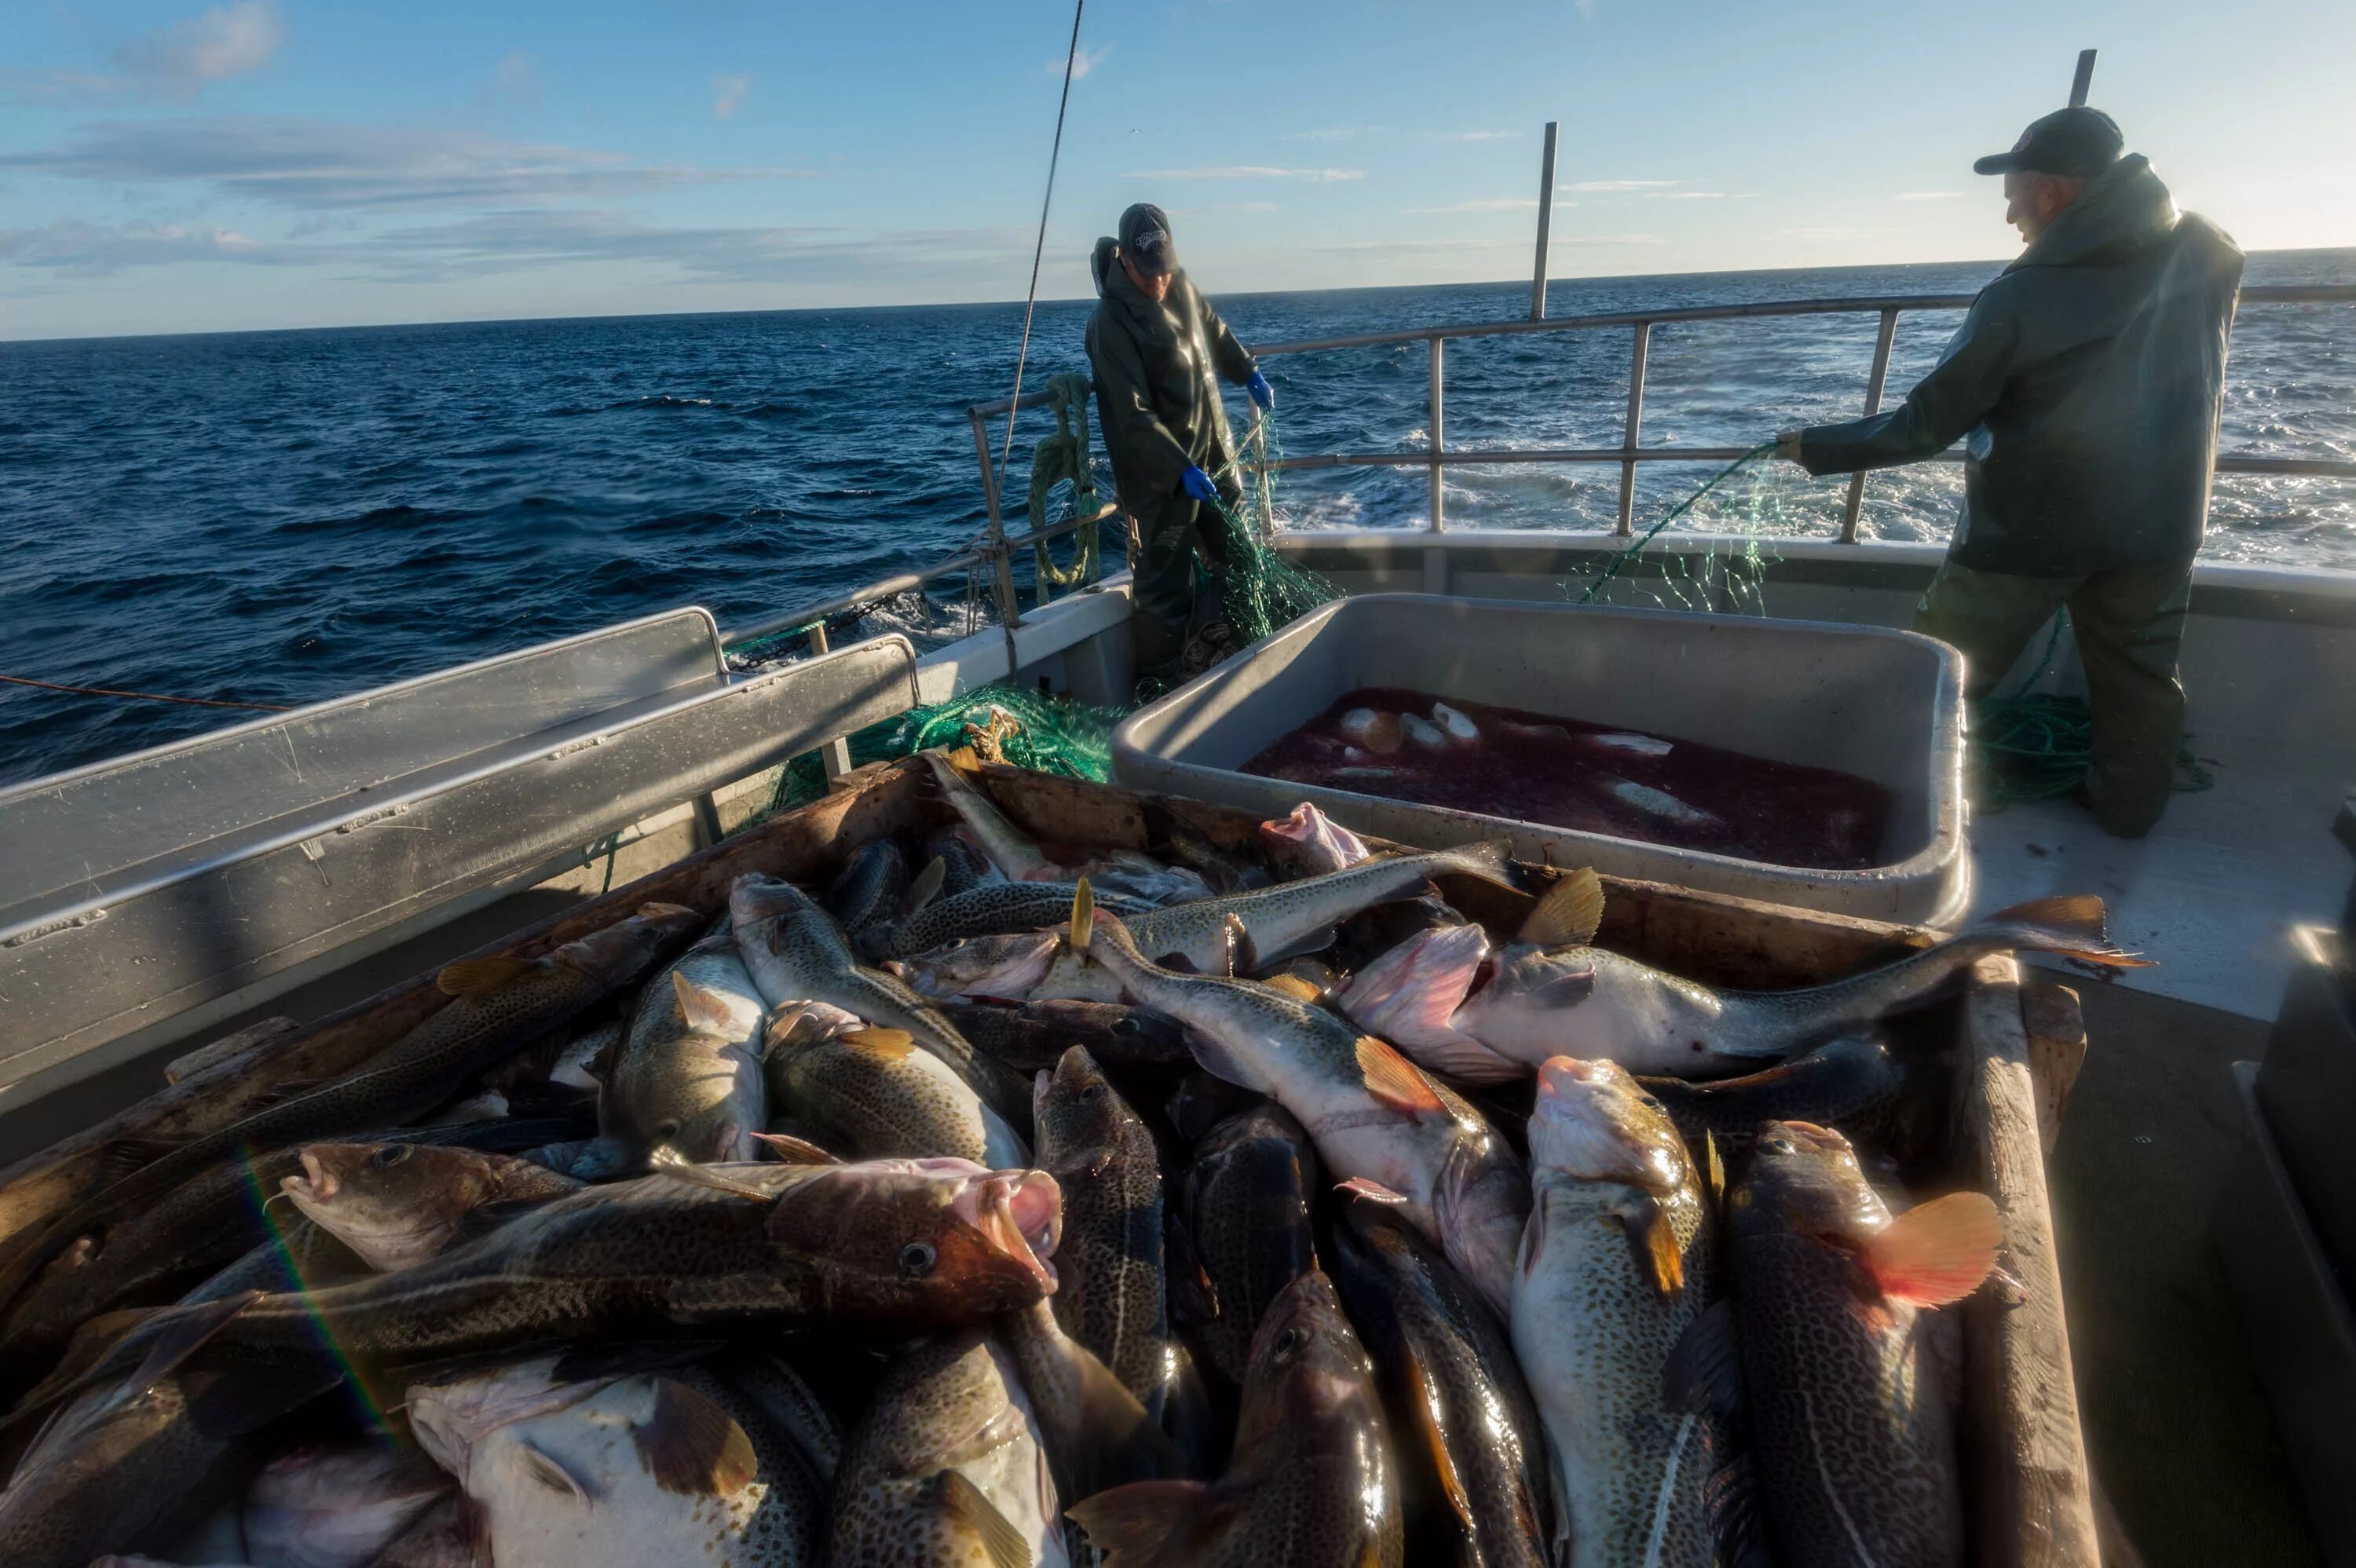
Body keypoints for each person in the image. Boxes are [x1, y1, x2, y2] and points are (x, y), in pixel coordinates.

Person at [1777, 108, 2243, 838]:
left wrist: (1816, 446)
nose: (2008, 213)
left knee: (1940, 674)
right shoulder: (2212, 250)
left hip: (2030, 533)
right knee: (2139, 682)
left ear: (2052, 193)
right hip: (2163, 525)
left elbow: (1925, 424)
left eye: (2014, 193)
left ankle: (1915, 812)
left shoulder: (2018, 295)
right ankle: (2128, 812)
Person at [1087, 203, 1275, 678]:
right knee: (1165, 582)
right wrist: (1178, 468)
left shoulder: (1181, 286)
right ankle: (1162, 682)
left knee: (1240, 552)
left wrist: (1246, 370)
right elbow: (1131, 414)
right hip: (1159, 475)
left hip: (1214, 451)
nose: (1159, 281)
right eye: (1148, 272)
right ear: (1125, 260)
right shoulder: (1109, 325)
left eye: (1164, 270)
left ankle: (1238, 654)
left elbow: (1214, 331)